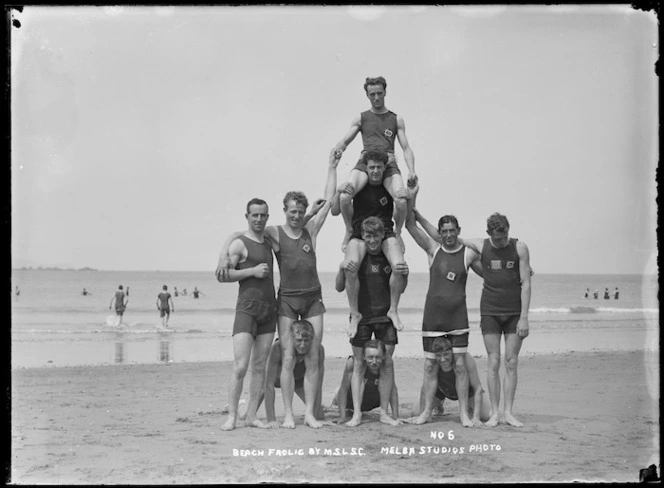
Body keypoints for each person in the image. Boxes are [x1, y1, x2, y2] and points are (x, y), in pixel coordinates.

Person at [216, 153, 341, 429]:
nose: (296, 216)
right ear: (285, 211)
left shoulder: (311, 230)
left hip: (313, 299)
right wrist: (225, 249)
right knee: (286, 357)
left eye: (300, 211)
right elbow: (245, 232)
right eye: (292, 211)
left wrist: (332, 166)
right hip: (286, 301)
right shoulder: (273, 232)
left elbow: (329, 199)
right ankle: (286, 414)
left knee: (312, 355)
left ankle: (308, 413)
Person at [403, 184, 482, 427]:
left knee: (459, 365)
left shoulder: (467, 254)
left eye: (452, 231)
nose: (448, 235)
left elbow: (489, 261)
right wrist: (412, 200)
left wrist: (523, 268)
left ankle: (463, 415)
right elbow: (409, 225)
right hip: (433, 319)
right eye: (444, 231)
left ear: (458, 231)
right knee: (430, 365)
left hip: (458, 319)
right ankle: (426, 412)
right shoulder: (432, 250)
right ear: (439, 233)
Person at [455, 213, 532, 427]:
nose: (502, 241)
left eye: (504, 235)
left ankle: (508, 412)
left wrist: (524, 317)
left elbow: (526, 283)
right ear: (489, 234)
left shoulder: (520, 248)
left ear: (508, 230)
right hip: (490, 311)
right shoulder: (481, 245)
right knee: (493, 361)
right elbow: (452, 239)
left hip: (515, 312)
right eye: (497, 238)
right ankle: (495, 413)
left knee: (511, 361)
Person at [335, 217, 407, 426]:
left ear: (383, 235)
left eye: (376, 236)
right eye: (368, 236)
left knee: (386, 364)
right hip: (362, 316)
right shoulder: (357, 256)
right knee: (358, 364)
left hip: (385, 316)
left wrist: (405, 274)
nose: (373, 240)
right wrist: (342, 267)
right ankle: (357, 413)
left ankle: (384, 412)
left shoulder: (389, 256)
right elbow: (339, 287)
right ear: (363, 237)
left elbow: (400, 287)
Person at [331, 76, 416, 250]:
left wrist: (411, 170)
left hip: (388, 162)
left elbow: (406, 148)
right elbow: (344, 141)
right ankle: (349, 229)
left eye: (379, 93)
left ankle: (398, 232)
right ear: (367, 95)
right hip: (366, 161)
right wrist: (336, 151)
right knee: (345, 196)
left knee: (401, 199)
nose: (376, 98)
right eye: (372, 94)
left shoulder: (396, 119)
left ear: (385, 92)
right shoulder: (361, 118)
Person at [215, 198, 278, 431]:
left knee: (259, 366)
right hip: (246, 310)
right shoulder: (240, 244)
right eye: (255, 215)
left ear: (267, 217)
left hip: (269, 310)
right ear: (247, 217)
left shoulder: (270, 240)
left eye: (263, 215)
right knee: (241, 366)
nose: (259, 219)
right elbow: (221, 276)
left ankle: (251, 415)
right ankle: (232, 416)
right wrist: (251, 271)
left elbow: (296, 226)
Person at [331, 150, 408, 337]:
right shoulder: (359, 184)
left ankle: (393, 310)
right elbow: (334, 209)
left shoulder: (389, 186)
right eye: (372, 167)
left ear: (384, 168)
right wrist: (340, 191)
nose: (375, 171)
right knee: (350, 267)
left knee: (399, 266)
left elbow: (404, 206)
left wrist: (409, 195)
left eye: (379, 168)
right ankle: (355, 314)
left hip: (385, 232)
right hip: (359, 233)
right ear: (366, 167)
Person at [406, 337, 490, 424]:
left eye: (446, 354)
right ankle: (439, 403)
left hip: (468, 392)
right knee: (415, 412)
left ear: (452, 352)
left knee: (487, 415)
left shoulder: (465, 359)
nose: (442, 360)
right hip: (441, 390)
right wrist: (422, 413)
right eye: (438, 355)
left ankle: (468, 407)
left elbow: (478, 388)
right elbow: (425, 388)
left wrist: (476, 417)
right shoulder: (432, 362)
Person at [259, 320, 327, 427]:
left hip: (298, 380)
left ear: (312, 338)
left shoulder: (318, 350)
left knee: (319, 414)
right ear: (291, 338)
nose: (302, 345)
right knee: (245, 414)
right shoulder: (278, 347)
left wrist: (317, 415)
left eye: (306, 340)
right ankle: (240, 405)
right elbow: (269, 384)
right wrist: (271, 419)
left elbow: (318, 383)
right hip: (275, 379)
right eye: (299, 340)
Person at [331, 339, 400, 424]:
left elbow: (393, 391)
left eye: (378, 357)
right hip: (350, 403)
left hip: (372, 403)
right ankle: (335, 402)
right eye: (370, 357)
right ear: (363, 356)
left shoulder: (386, 365)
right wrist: (342, 417)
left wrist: (396, 417)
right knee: (338, 392)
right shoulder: (353, 363)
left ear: (383, 356)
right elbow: (343, 389)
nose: (374, 362)